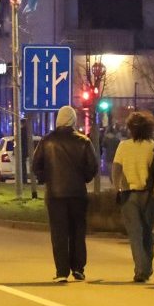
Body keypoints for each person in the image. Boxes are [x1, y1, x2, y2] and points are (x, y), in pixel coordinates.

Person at [31, 105, 100, 283]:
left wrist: (46, 178)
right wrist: (84, 178)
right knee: (78, 231)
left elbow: (36, 164)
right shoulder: (84, 141)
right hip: (78, 194)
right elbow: (93, 166)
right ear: (73, 120)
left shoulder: (47, 141)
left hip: (55, 195)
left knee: (59, 233)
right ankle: (78, 268)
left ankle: (62, 271)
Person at [112, 111, 154, 283]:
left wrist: (117, 188)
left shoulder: (123, 146)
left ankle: (141, 269)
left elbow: (116, 170)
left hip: (128, 195)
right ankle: (147, 267)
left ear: (131, 128)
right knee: (148, 232)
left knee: (135, 234)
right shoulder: (153, 146)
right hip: (149, 195)